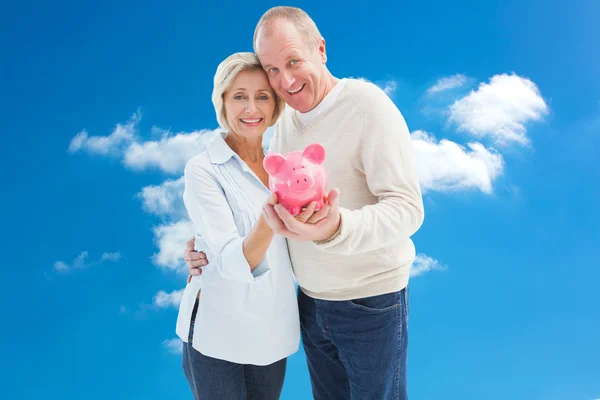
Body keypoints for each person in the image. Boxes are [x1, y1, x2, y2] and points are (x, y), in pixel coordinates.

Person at [184, 6, 425, 400]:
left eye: (293, 61)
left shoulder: (369, 106)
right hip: (310, 303)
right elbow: (268, 206)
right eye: (273, 70)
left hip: (370, 302)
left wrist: (338, 227)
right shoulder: (284, 126)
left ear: (321, 49)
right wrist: (204, 247)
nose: (286, 80)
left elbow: (408, 207)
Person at [176, 51, 317, 400]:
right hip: (217, 333)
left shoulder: (284, 165)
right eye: (239, 96)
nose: (251, 109)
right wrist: (274, 213)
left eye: (262, 97)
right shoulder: (204, 168)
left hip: (272, 331)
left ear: (275, 105)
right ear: (222, 101)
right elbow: (232, 261)